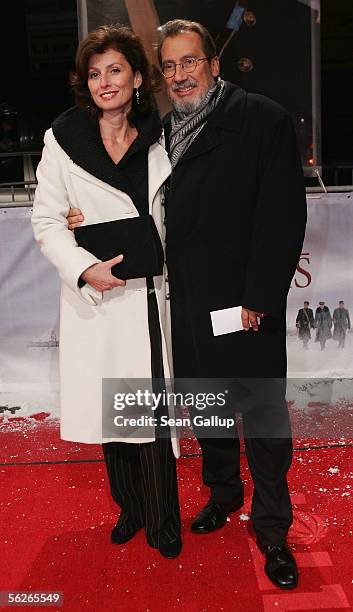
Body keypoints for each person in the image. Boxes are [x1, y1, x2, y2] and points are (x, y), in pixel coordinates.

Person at [68, 19, 307, 589]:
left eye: (190, 62)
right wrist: (86, 221)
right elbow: (139, 210)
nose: (180, 76)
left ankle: (273, 529)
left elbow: (283, 219)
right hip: (187, 301)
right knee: (209, 407)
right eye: (170, 66)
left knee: (263, 416)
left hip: (244, 303)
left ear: (213, 65)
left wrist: (259, 299)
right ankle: (224, 493)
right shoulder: (160, 133)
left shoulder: (260, 120)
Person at [31, 25, 181, 559]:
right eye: (94, 74)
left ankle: (164, 520)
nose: (104, 82)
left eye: (115, 70)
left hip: (149, 293)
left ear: (137, 78)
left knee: (151, 411)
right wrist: (84, 267)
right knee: (113, 413)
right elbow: (47, 222)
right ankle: (130, 509)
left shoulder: (165, 133)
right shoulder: (63, 138)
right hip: (96, 297)